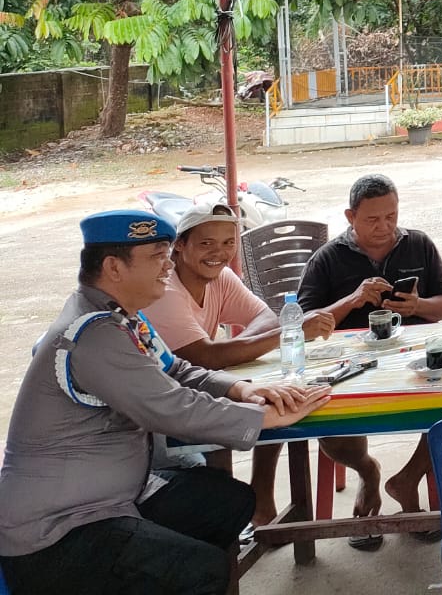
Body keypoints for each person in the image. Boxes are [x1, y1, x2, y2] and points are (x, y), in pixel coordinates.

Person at [0, 211, 330, 595]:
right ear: (113, 267)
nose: (169, 264)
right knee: (201, 570)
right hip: (57, 529)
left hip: (116, 499)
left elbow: (177, 370)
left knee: (228, 501)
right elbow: (169, 406)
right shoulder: (92, 334)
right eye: (157, 256)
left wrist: (243, 391)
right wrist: (262, 418)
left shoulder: (123, 319)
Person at [142, 200, 336, 524]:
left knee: (276, 396)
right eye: (206, 243)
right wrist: (290, 332)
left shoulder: (221, 277)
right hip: (160, 416)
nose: (218, 252)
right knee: (270, 406)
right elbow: (204, 356)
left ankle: (260, 499)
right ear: (179, 246)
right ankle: (235, 521)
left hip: (193, 386)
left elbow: (265, 317)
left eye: (228, 243)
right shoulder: (166, 290)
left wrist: (238, 347)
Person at [297, 174, 442, 548]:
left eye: (391, 216)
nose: (384, 227)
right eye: (372, 219)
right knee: (326, 415)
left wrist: (418, 306)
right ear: (350, 216)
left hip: (412, 357)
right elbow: (303, 324)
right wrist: (352, 300)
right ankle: (368, 473)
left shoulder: (418, 244)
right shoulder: (328, 258)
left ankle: (410, 477)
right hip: (347, 364)